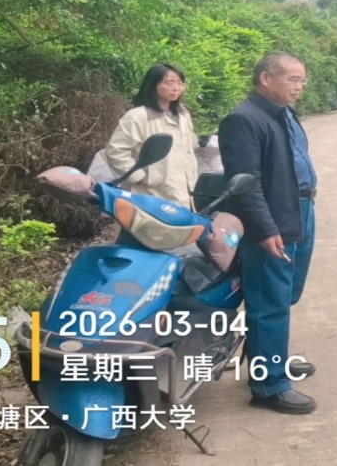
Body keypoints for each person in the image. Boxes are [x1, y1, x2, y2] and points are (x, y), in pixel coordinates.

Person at [217, 52, 318, 414]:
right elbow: (246, 182)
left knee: (287, 292)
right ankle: (269, 385)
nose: (299, 87)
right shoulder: (243, 119)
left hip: (300, 209)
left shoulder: (284, 113)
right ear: (265, 78)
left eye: (302, 80)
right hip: (272, 219)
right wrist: (263, 228)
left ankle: (269, 356)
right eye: (293, 79)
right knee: (269, 299)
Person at [103, 63, 199, 210]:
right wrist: (141, 177)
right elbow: (116, 152)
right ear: (153, 85)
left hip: (184, 193)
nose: (176, 88)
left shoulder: (182, 114)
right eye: (169, 83)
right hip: (151, 194)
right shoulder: (137, 117)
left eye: (180, 83)